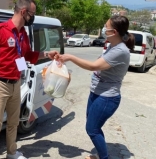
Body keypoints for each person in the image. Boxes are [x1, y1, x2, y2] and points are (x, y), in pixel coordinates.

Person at [0, 0, 59, 159]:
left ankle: (11, 152)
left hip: (16, 84)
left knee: (13, 123)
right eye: (32, 13)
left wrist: (47, 54)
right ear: (24, 12)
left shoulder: (23, 33)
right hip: (0, 84)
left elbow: (27, 56)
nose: (33, 17)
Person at [58, 15, 135, 159]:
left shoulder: (120, 51)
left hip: (107, 97)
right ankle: (101, 155)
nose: (104, 29)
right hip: (96, 93)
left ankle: (104, 157)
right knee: (94, 127)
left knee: (92, 129)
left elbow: (94, 66)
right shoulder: (111, 46)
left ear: (115, 31)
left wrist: (71, 57)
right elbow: (97, 64)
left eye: (107, 27)